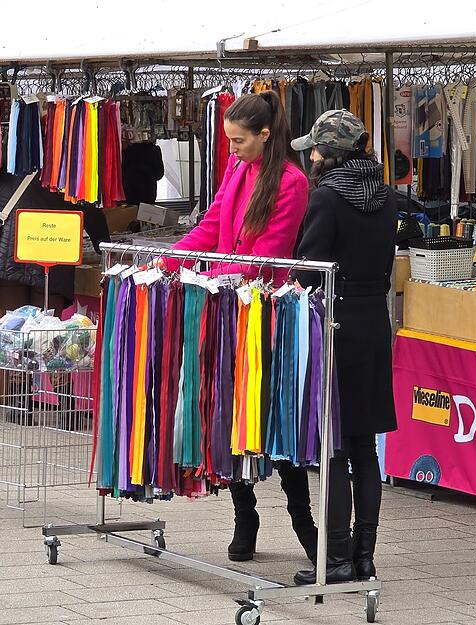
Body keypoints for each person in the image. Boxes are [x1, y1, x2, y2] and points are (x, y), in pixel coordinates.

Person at [165, 91, 313, 563]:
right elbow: (211, 226)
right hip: (226, 303)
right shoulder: (236, 169)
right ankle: (243, 513)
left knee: (273, 417)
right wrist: (171, 258)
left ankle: (303, 520)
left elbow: (267, 256)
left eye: (238, 141)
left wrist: (211, 276)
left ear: (265, 135)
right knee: (231, 414)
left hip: (263, 311)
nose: (231, 150)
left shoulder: (290, 181)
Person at [290, 110, 397, 584]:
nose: (310, 156)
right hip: (375, 322)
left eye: (314, 149)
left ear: (329, 154)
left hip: (336, 323)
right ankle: (365, 555)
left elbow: (309, 269)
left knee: (333, 446)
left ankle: (334, 559)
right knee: (364, 450)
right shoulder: (388, 197)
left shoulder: (326, 198)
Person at [0, 174, 110, 313]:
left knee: (12, 328)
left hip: (8, 255)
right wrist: (103, 245)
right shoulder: (70, 157)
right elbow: (90, 208)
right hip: (54, 251)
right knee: (46, 330)